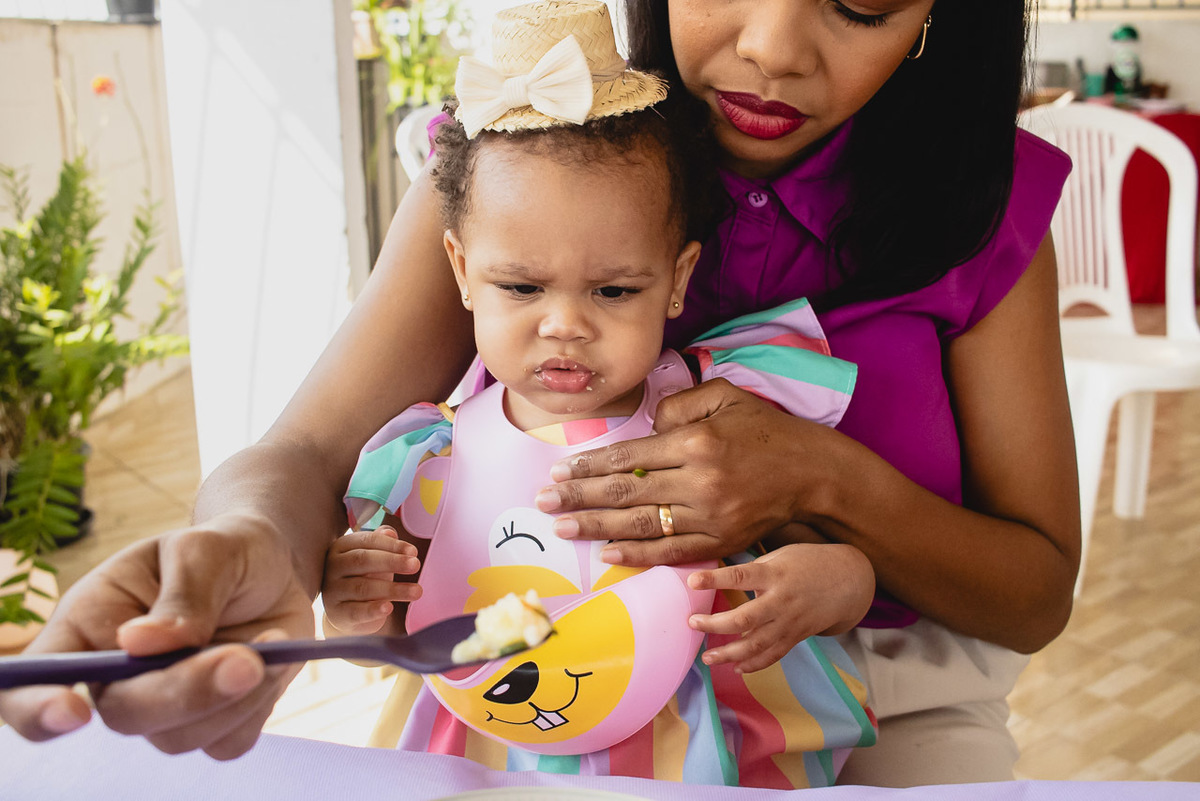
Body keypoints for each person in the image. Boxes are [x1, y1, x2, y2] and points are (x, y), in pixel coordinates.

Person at [0, 0, 1080, 787]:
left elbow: (1034, 593)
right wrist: (252, 538)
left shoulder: (982, 205)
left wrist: (826, 482)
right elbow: (306, 454)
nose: (772, 47)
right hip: (534, 703)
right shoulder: (518, 160)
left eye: (862, 3)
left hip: (893, 702)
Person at [321, 5, 872, 788]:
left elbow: (832, 563)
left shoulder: (714, 414)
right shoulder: (424, 458)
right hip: (490, 755)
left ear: (678, 279)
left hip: (685, 757)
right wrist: (355, 596)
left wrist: (838, 580)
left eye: (614, 289)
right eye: (521, 286)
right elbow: (387, 624)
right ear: (461, 272)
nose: (566, 325)